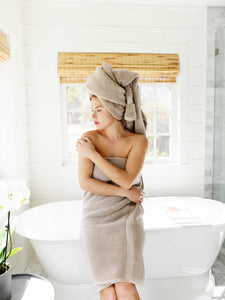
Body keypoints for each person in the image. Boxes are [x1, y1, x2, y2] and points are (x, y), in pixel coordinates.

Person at [76, 62, 148, 300]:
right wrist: (124, 193)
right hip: (95, 219)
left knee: (125, 285)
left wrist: (94, 155)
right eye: (92, 109)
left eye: (99, 109)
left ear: (114, 107)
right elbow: (85, 183)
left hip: (125, 218)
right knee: (107, 289)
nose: (92, 115)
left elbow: (127, 180)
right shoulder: (88, 138)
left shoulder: (137, 142)